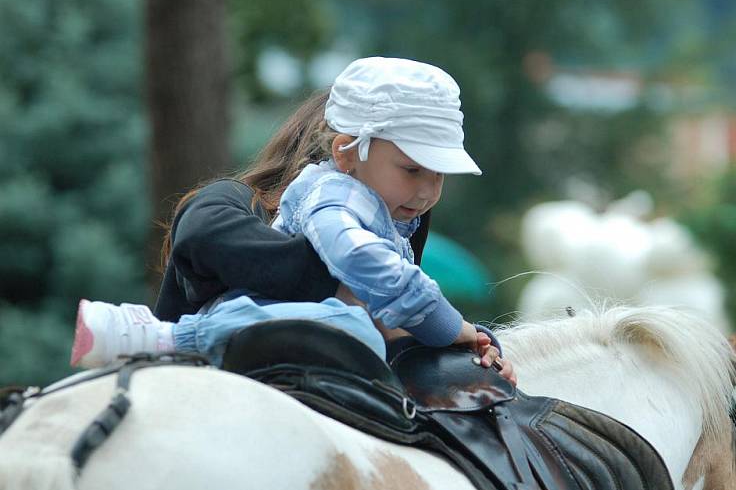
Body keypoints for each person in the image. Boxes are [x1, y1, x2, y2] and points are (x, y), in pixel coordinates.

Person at [70, 57, 515, 383]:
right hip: (228, 351)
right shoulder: (327, 201)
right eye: (411, 168)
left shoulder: (396, 213)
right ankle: (164, 337)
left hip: (305, 363)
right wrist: (430, 318)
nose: (426, 191)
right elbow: (371, 275)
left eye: (437, 174)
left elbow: (393, 318)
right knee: (354, 328)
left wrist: (472, 344)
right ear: (342, 154)